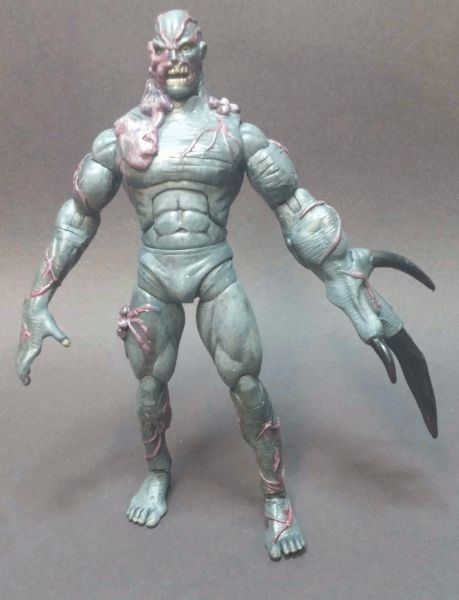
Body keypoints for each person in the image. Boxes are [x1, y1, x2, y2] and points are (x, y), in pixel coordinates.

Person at [16, 9, 437, 560]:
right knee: (149, 386)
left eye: (185, 47)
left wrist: (343, 271)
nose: (175, 60)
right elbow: (77, 215)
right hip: (155, 275)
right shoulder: (122, 137)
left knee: (246, 382)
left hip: (214, 269)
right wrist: (37, 299)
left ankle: (276, 499)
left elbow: (293, 206)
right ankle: (157, 473)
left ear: (202, 51)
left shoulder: (234, 133)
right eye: (163, 50)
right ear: (150, 56)